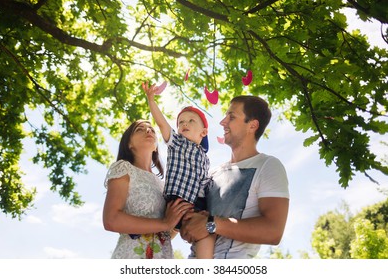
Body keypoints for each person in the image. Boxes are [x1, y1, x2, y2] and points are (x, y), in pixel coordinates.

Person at [180, 95, 290, 259]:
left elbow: (274, 231)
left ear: (252, 125)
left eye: (231, 117)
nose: (223, 122)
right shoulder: (211, 173)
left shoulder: (268, 166)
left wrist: (211, 224)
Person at [142, 82, 215, 259]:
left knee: (203, 233)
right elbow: (162, 123)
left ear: (203, 132)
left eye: (191, 121)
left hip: (195, 203)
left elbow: (203, 182)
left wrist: (203, 208)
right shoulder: (177, 143)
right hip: (177, 200)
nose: (184, 124)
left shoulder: (205, 158)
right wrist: (151, 99)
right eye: (181, 121)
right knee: (201, 234)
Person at [103, 120, 192, 259]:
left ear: (156, 147)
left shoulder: (164, 185)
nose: (148, 131)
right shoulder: (124, 169)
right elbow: (111, 220)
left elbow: (165, 232)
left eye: (152, 129)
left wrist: (176, 221)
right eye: (140, 129)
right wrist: (164, 223)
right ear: (129, 144)